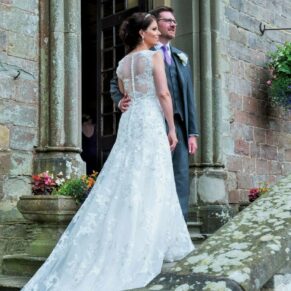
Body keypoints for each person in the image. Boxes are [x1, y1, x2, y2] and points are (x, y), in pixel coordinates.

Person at [21, 12, 194, 291]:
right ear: (142, 33)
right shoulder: (154, 57)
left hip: (131, 121)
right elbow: (163, 94)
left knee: (128, 177)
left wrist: (127, 103)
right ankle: (148, 241)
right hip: (149, 120)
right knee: (152, 177)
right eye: (153, 29)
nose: (157, 34)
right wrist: (172, 130)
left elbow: (126, 95)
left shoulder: (122, 64)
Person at [111, 6, 199, 221]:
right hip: (150, 119)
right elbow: (118, 85)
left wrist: (192, 132)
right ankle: (148, 222)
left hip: (175, 121)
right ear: (153, 25)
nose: (173, 24)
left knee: (177, 175)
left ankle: (178, 222)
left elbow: (188, 95)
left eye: (174, 21)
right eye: (167, 21)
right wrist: (119, 101)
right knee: (145, 172)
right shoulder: (147, 56)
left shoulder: (180, 57)